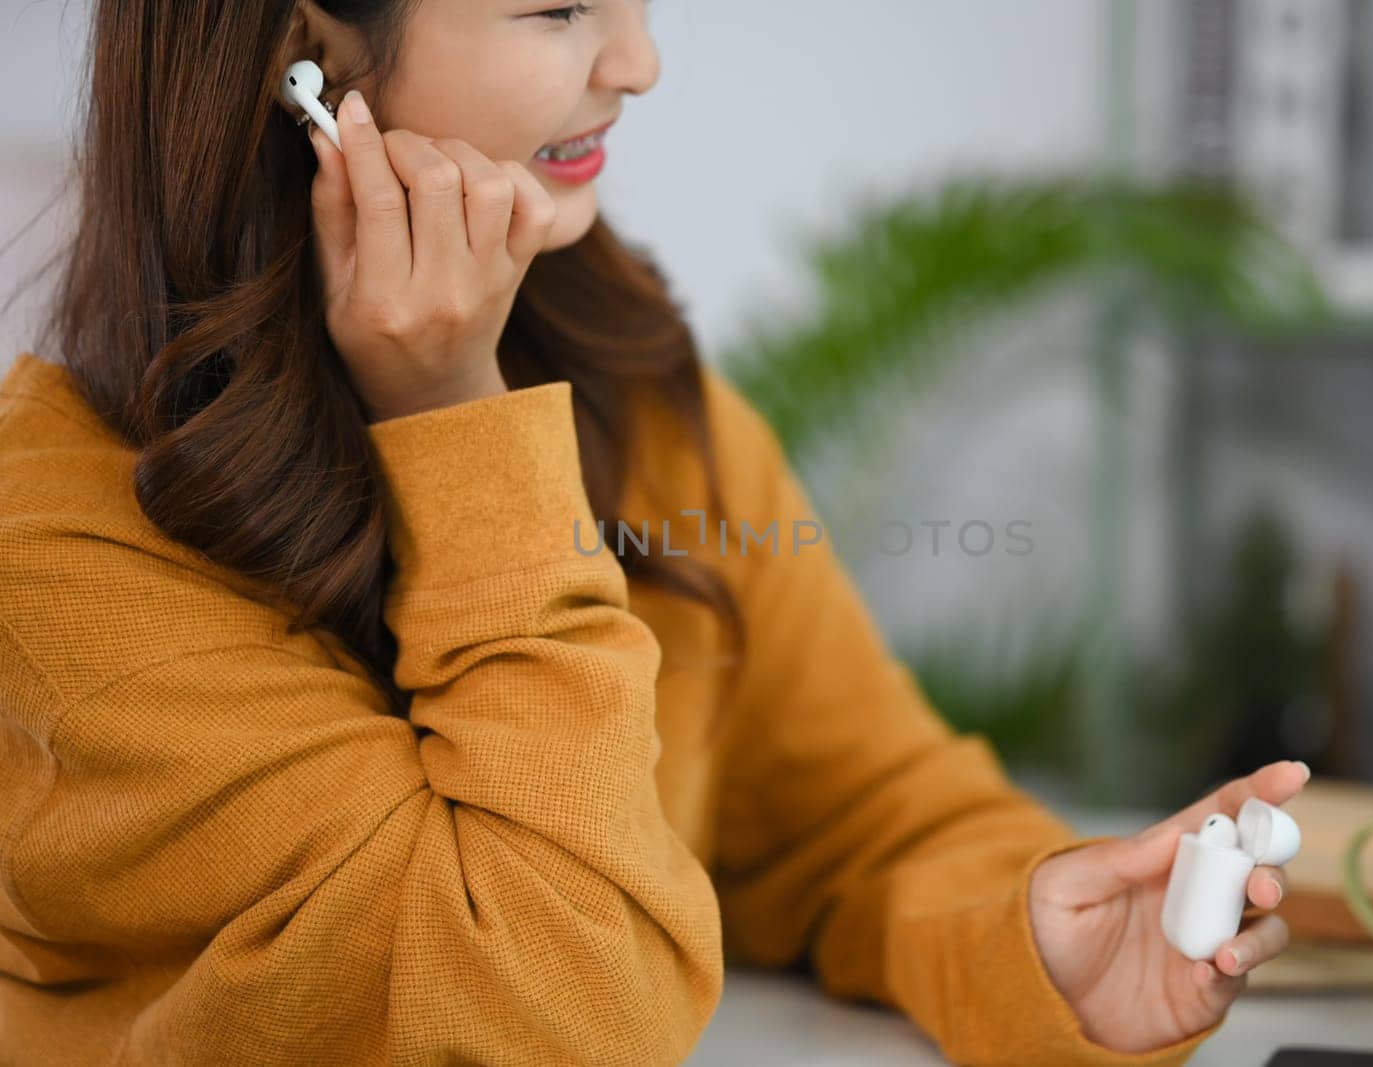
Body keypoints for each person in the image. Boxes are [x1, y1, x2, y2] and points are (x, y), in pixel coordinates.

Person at [0, 1, 1302, 1063]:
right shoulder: (65, 541)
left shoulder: (645, 400)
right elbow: (547, 1012)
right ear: (310, 63)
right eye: (559, 8)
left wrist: (1027, 940)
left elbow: (857, 817)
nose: (640, 63)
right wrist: (457, 425)